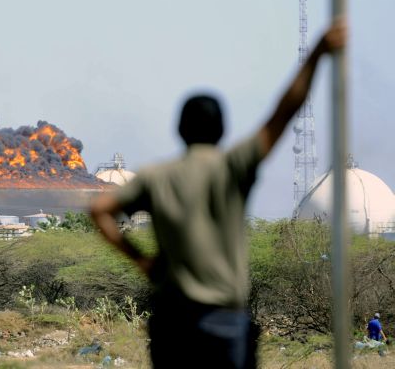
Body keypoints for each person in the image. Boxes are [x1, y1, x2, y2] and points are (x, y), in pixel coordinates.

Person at [90, 18, 346, 368]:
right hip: (225, 321)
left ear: (179, 129)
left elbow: (100, 209)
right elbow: (283, 113)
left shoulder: (156, 177)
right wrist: (316, 52)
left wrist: (143, 262)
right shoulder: (232, 167)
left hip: (173, 322)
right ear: (222, 129)